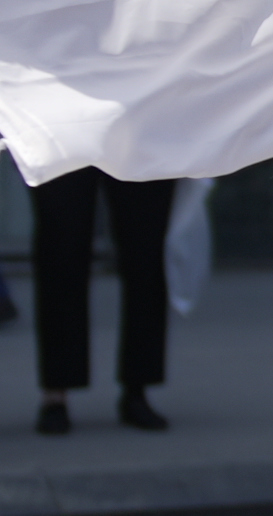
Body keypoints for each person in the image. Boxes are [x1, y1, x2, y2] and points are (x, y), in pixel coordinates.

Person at [33, 165, 181, 432]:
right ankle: (57, 388)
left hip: (137, 131)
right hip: (67, 131)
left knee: (145, 254)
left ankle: (137, 386)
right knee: (60, 252)